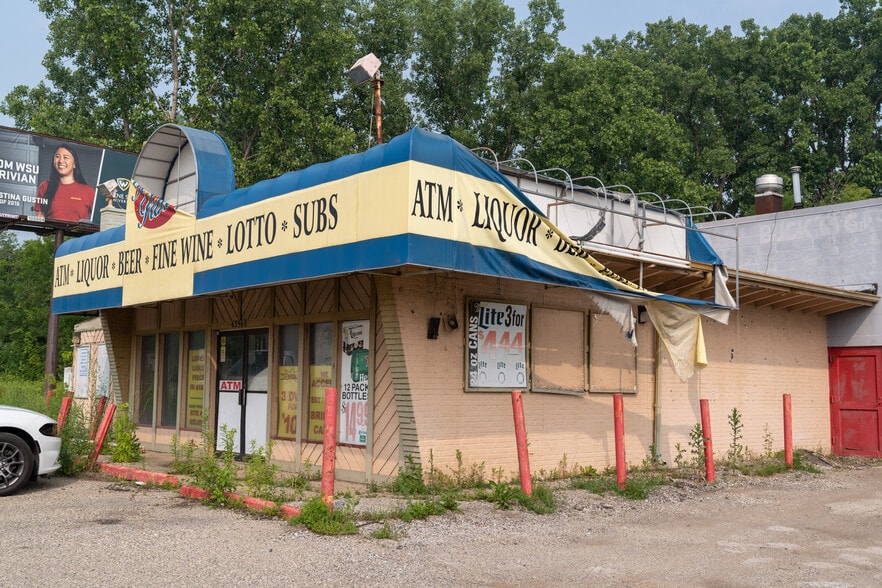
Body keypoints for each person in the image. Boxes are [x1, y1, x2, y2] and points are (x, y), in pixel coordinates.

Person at [33, 144, 95, 223]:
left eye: (66, 157)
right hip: (51, 230)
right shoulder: (45, 186)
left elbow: (98, 220)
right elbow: (39, 217)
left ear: (74, 164)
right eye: (57, 156)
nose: (61, 161)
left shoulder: (88, 191)